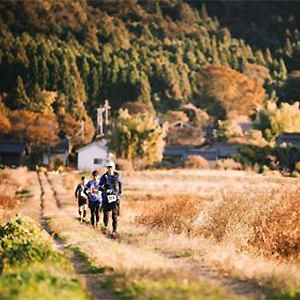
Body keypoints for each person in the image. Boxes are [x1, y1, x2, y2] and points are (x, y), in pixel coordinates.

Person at [99, 161, 122, 239]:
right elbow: (99, 187)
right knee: (106, 214)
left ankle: (114, 231)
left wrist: (120, 192)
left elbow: (120, 185)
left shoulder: (117, 176)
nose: (109, 169)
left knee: (114, 215)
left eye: (111, 167)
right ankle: (106, 227)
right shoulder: (103, 177)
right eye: (108, 167)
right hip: (106, 198)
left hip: (114, 198)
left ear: (114, 167)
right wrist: (104, 188)